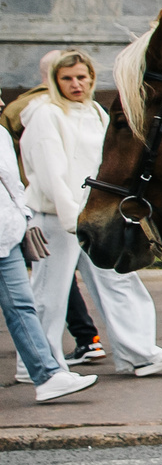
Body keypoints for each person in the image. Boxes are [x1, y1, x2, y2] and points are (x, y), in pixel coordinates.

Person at [15, 50, 162, 382]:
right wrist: (71, 220)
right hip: (56, 218)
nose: (76, 84)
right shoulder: (45, 114)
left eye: (82, 77)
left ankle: (139, 353)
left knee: (120, 279)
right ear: (55, 81)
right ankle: (37, 364)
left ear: (92, 78)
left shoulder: (96, 111)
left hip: (92, 214)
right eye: (67, 78)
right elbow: (52, 173)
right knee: (49, 294)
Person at [1, 118, 96, 402]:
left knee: (22, 307)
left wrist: (24, 218)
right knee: (22, 308)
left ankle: (47, 376)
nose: (2, 104)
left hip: (6, 233)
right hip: (7, 230)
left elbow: (12, 184)